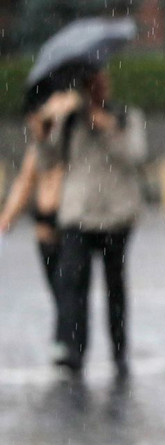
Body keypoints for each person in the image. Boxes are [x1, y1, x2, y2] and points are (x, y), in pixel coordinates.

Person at [37, 69, 147, 377]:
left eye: (102, 83)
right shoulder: (70, 120)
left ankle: (119, 350)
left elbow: (136, 155)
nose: (97, 89)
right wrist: (45, 130)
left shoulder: (126, 116)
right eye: (91, 84)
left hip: (116, 215)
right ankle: (74, 350)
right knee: (74, 283)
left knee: (116, 286)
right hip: (78, 216)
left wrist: (110, 128)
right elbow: (47, 161)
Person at [0, 91, 81, 360]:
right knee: (57, 287)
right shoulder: (37, 151)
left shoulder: (68, 142)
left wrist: (54, 112)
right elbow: (24, 183)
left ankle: (68, 340)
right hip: (45, 225)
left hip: (68, 221)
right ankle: (65, 337)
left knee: (67, 285)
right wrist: (7, 217)